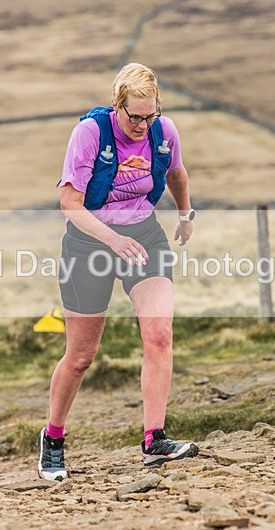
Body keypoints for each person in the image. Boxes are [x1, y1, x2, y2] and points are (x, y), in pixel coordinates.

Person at [38, 63, 198, 481]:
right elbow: (70, 205)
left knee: (159, 335)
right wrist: (112, 241)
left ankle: (154, 440)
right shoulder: (90, 134)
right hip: (89, 242)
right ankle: (53, 439)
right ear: (117, 106)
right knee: (81, 356)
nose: (143, 125)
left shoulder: (164, 132)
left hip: (144, 235)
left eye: (151, 115)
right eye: (134, 117)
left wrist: (185, 214)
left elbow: (177, 172)